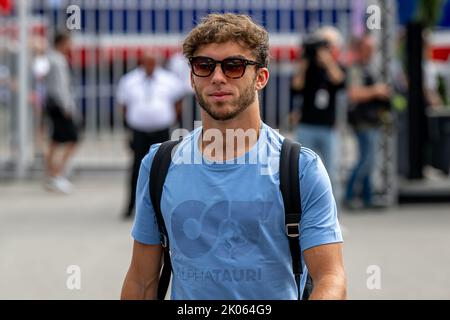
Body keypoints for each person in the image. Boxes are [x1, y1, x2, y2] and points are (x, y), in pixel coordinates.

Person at [121, 13, 346, 300]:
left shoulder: (300, 168)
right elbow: (142, 281)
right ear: (192, 77)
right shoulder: (159, 165)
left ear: (261, 77)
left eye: (234, 66)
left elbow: (330, 277)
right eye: (204, 66)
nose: (217, 77)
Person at [117, 51, 186, 219]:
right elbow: (124, 104)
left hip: (161, 130)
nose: (149, 66)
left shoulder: (168, 80)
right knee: (136, 167)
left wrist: (169, 118)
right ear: (141, 62)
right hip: (139, 130)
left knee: (162, 168)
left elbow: (178, 101)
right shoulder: (129, 80)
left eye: (152, 62)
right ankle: (131, 205)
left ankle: (161, 206)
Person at [290, 26, 346, 200]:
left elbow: (339, 81)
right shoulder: (308, 67)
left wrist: (328, 61)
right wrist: (304, 62)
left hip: (328, 126)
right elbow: (296, 87)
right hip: (306, 124)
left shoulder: (335, 67)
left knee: (331, 172)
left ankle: (332, 215)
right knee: (303, 171)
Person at [344, 33, 391, 209]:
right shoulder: (356, 68)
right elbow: (354, 94)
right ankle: (350, 195)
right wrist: (376, 91)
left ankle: (367, 196)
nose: (371, 52)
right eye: (368, 49)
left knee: (370, 160)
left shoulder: (368, 67)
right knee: (365, 160)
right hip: (362, 121)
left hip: (371, 120)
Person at [43, 32, 79, 194]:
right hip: (59, 106)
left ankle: (52, 173)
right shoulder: (57, 60)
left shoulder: (52, 58)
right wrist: (66, 107)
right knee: (72, 139)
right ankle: (57, 174)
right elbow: (60, 86)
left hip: (54, 104)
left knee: (55, 140)